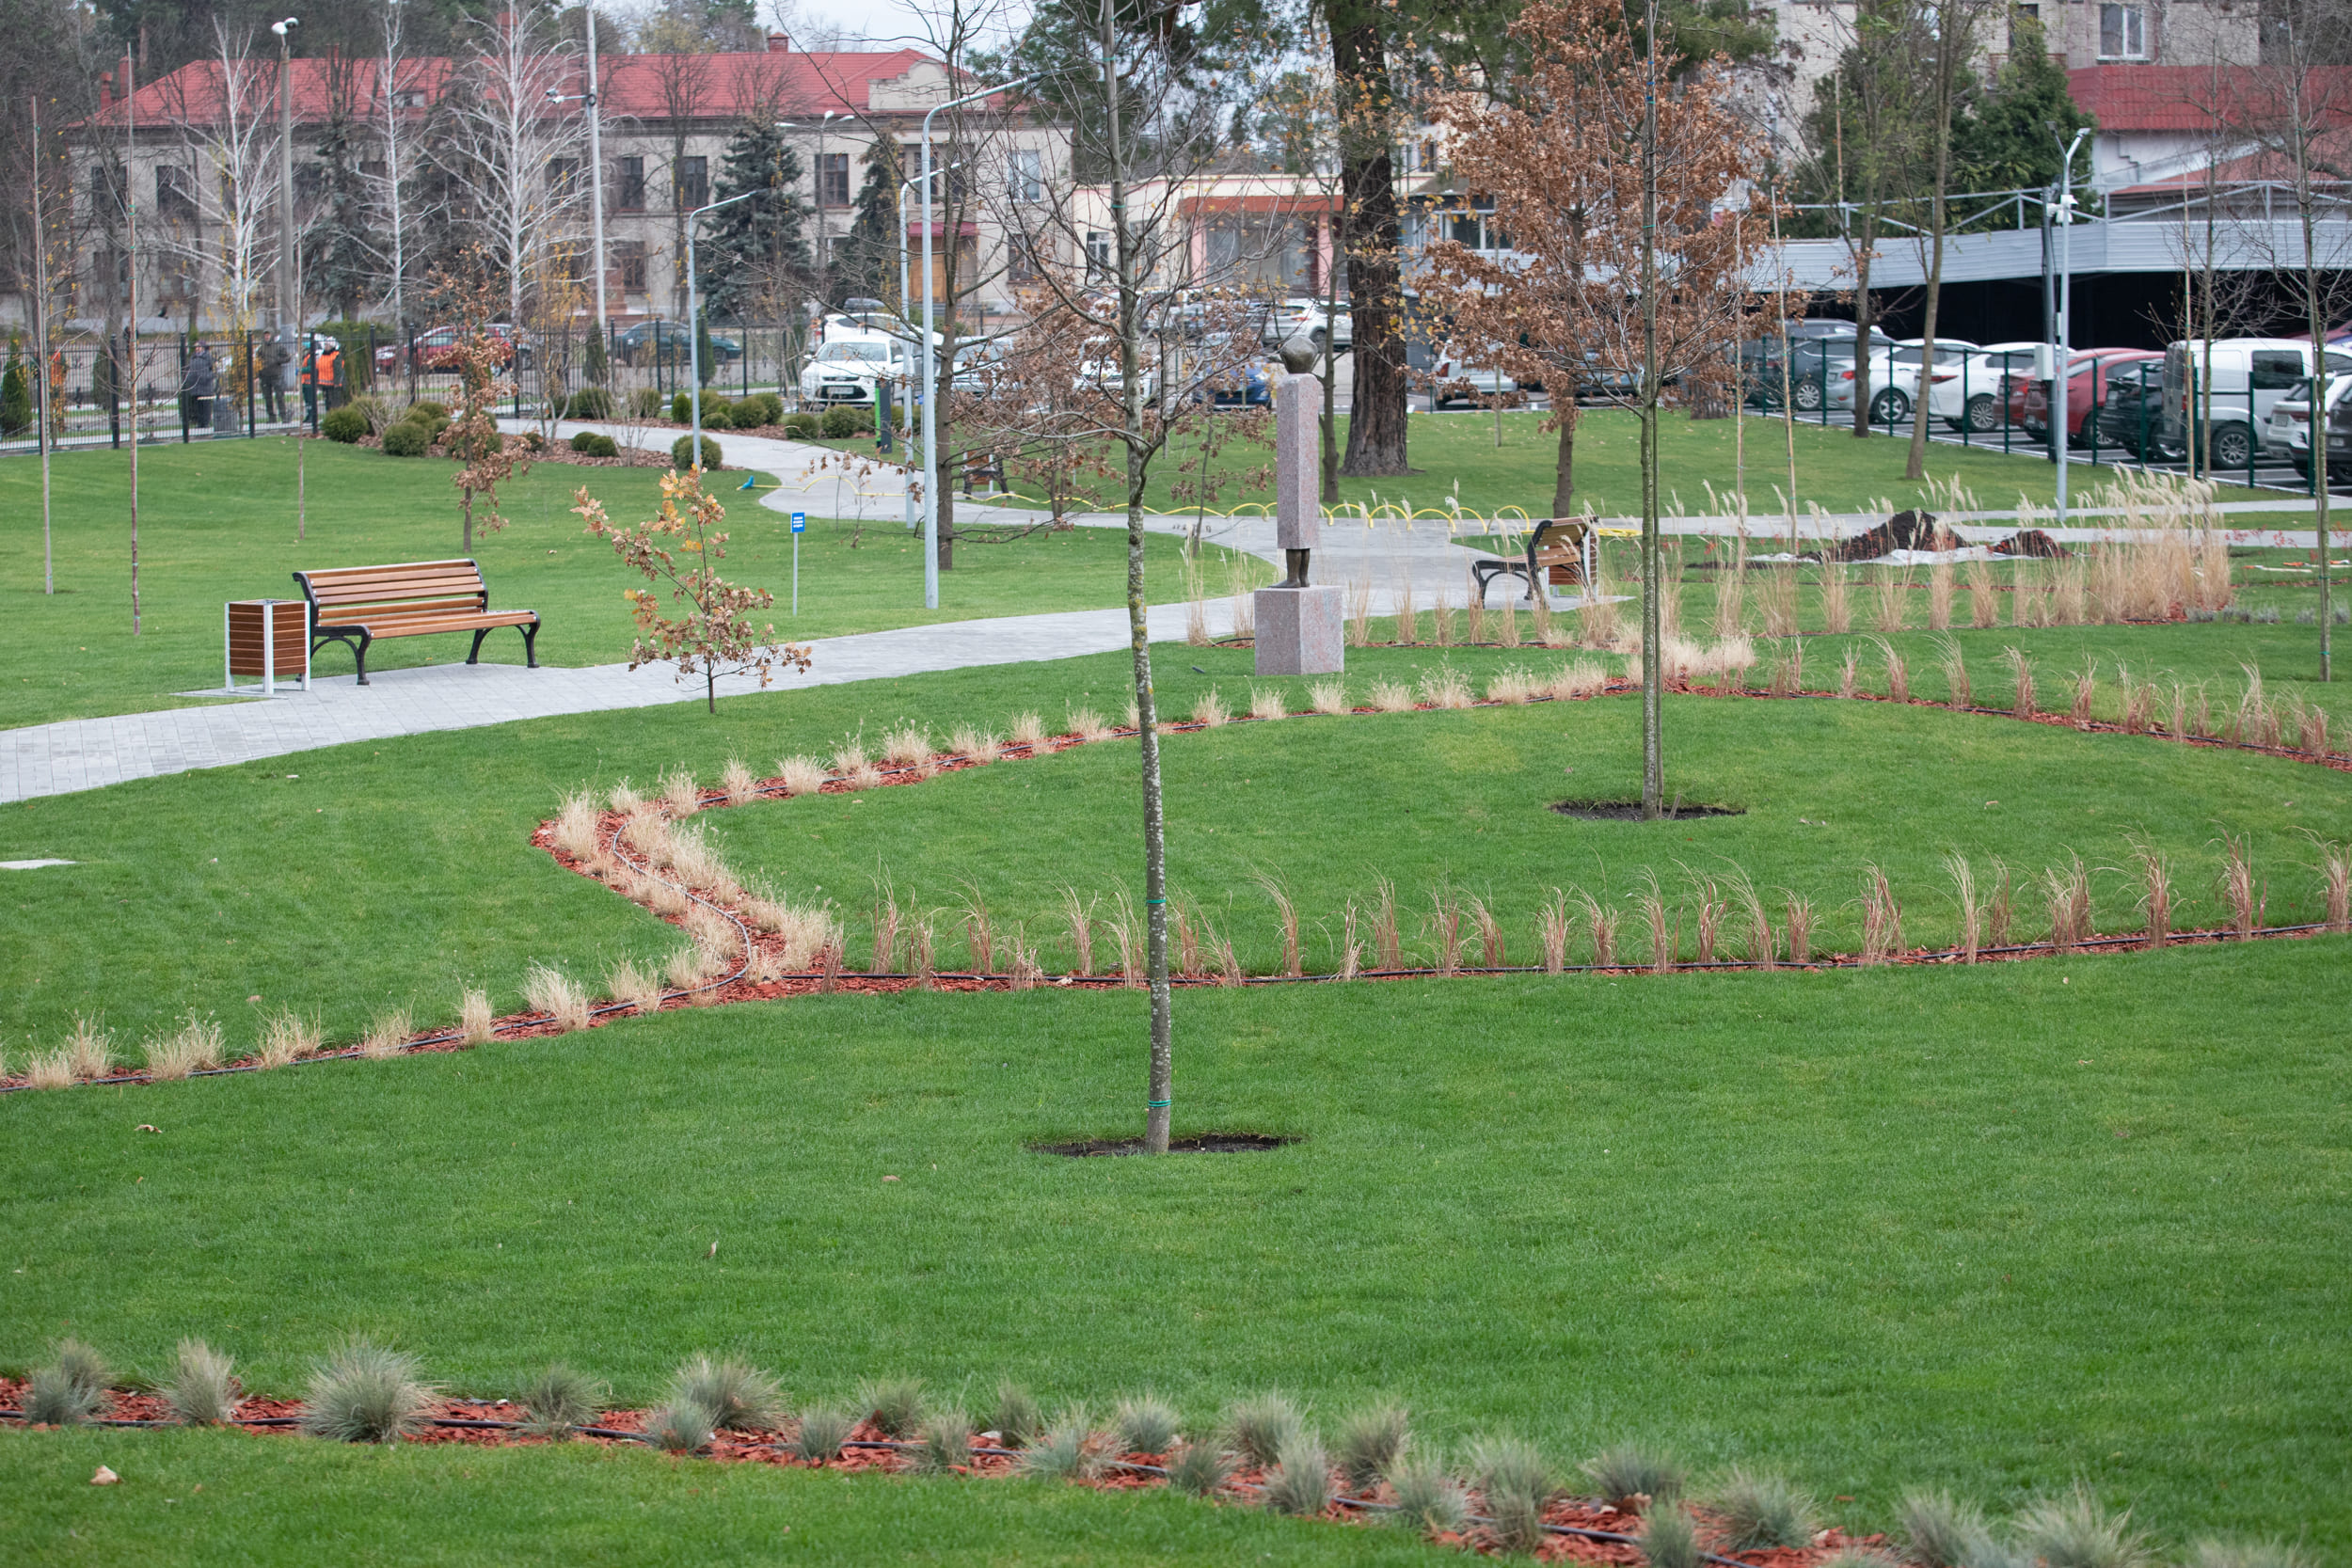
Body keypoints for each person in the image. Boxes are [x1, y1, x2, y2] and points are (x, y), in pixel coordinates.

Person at [182, 341, 217, 429]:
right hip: (195, 386)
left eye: (199, 347)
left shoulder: (208, 357)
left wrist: (207, 377)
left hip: (206, 386)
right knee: (198, 406)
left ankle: (205, 423)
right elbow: (189, 370)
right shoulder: (193, 358)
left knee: (205, 405)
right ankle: (200, 423)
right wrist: (189, 379)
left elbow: (214, 370)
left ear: (203, 348)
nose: (197, 349)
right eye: (196, 347)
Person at [258, 336, 291, 423]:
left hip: (276, 376)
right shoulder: (261, 348)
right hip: (265, 376)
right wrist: (259, 373)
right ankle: (271, 417)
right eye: (265, 335)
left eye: (268, 335)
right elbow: (257, 362)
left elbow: (288, 358)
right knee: (267, 398)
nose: (267, 337)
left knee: (279, 396)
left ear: (272, 336)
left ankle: (283, 416)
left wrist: (278, 361)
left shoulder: (278, 347)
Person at [300, 341, 319, 425]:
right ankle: (309, 415)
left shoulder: (311, 357)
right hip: (305, 382)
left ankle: (312, 416)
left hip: (310, 383)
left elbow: (311, 368)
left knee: (310, 400)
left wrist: (301, 370)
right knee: (307, 401)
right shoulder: (305, 357)